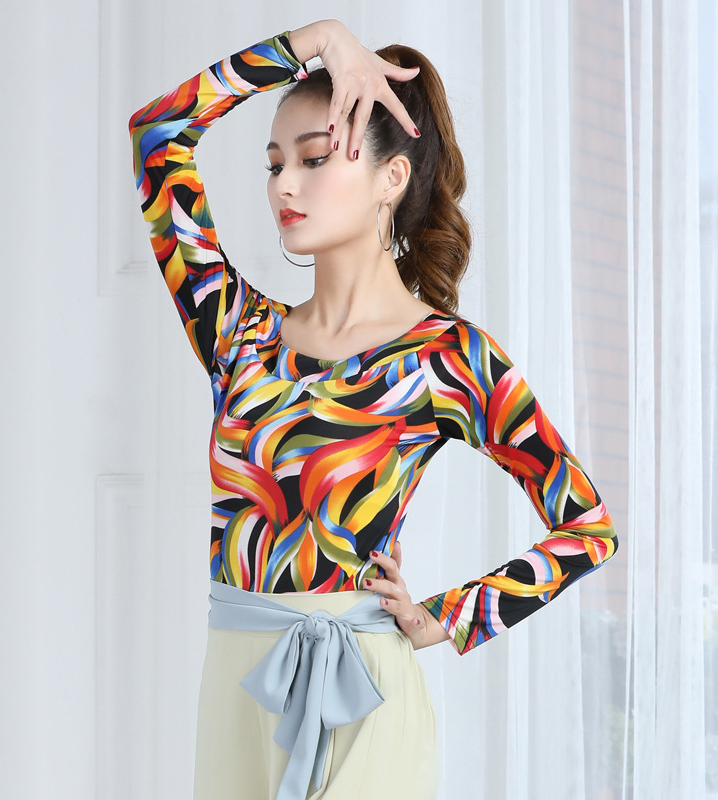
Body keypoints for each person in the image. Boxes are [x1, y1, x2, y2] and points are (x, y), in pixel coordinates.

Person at [129, 18, 618, 800]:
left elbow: (587, 527)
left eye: (315, 158)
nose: (284, 185)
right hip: (235, 692)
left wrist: (451, 616)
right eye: (275, 163)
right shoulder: (236, 332)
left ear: (392, 178)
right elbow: (159, 134)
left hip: (365, 696)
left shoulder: (448, 357)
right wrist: (315, 41)